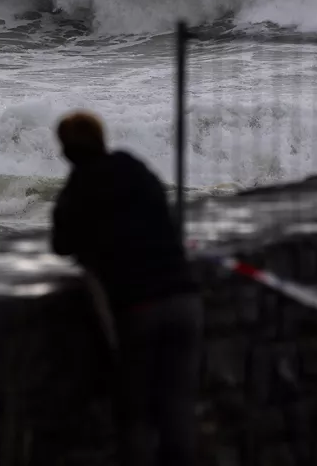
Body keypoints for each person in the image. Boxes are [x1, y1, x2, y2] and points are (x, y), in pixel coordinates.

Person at [51, 111, 202, 466]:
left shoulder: (79, 188)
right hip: (185, 298)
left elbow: (61, 244)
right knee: (177, 408)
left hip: (139, 307)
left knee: (135, 414)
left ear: (66, 152)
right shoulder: (133, 167)